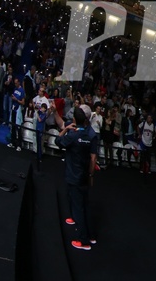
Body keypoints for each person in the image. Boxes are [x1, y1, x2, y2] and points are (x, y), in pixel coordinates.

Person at [53, 104, 98, 251]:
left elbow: (58, 141)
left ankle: (83, 240)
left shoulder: (73, 135)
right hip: (84, 174)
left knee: (79, 207)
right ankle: (90, 235)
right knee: (83, 205)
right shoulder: (89, 134)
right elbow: (92, 158)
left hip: (74, 175)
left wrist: (65, 130)